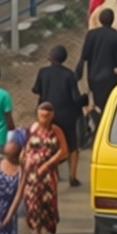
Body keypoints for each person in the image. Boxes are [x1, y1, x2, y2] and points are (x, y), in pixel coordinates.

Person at [32, 48, 85, 187]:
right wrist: (84, 100)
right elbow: (75, 97)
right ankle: (72, 176)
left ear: (51, 57)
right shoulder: (69, 75)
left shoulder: (43, 72)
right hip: (67, 115)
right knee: (72, 145)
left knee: (48, 144)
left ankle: (51, 173)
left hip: (47, 115)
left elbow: (35, 90)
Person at [23, 104, 70, 234]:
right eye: (42, 115)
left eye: (47, 115)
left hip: (48, 173)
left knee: (48, 202)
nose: (44, 119)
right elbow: (25, 149)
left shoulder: (56, 131)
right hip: (32, 174)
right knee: (33, 203)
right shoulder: (31, 129)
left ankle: (47, 225)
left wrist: (48, 164)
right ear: (37, 114)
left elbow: (63, 151)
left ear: (52, 116)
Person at [80, 8, 117, 124]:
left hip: (92, 77)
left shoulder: (91, 35)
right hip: (109, 78)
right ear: (112, 20)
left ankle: (96, 124)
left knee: (96, 103)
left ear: (100, 20)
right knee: (108, 103)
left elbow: (85, 55)